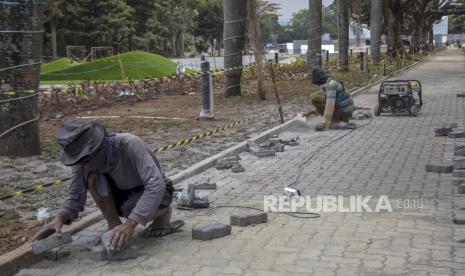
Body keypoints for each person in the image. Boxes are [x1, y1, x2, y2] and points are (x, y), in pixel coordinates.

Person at [33, 120, 183, 252]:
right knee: (92, 177)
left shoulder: (130, 144)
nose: (84, 164)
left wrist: (130, 224)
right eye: (81, 161)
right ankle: (114, 226)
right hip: (124, 196)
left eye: (87, 159)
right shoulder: (82, 162)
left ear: (98, 147)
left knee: (135, 208)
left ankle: (163, 214)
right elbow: (75, 196)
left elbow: (156, 185)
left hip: (157, 192)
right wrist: (59, 219)